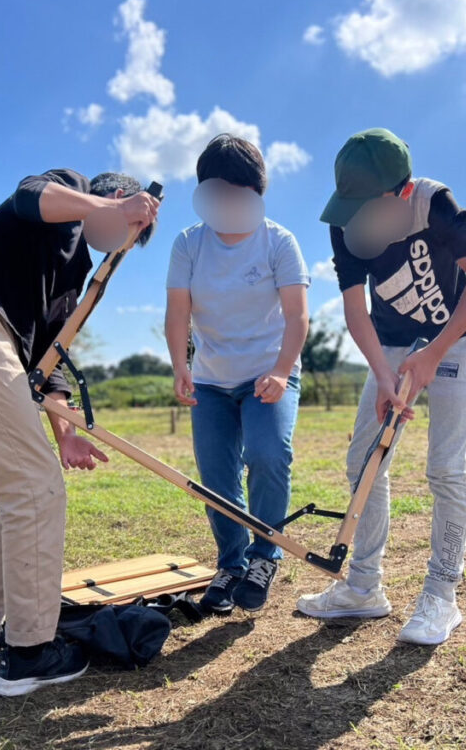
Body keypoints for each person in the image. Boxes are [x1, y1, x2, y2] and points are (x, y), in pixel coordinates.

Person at [0, 168, 159, 696]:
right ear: (115, 197)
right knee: (36, 490)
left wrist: (65, 432)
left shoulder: (73, 277)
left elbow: (49, 363)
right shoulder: (65, 193)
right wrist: (108, 211)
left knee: (23, 490)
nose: (121, 240)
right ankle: (29, 655)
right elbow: (29, 197)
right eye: (127, 226)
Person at [297, 128, 466, 646]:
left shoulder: (435, 203)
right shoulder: (344, 221)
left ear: (401, 193)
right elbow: (353, 308)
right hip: (387, 344)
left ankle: (442, 595)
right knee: (364, 460)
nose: (356, 214)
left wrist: (433, 353)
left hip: (454, 339)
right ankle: (364, 587)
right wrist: (386, 374)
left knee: (446, 469)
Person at [165, 134, 310, 614]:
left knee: (269, 456)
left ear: (255, 192)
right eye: (217, 190)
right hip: (210, 380)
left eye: (237, 190)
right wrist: (180, 365)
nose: (227, 201)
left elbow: (297, 317)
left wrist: (282, 370)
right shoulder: (188, 243)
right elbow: (177, 313)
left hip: (269, 372)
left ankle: (264, 556)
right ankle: (230, 564)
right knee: (216, 477)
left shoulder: (279, 241)